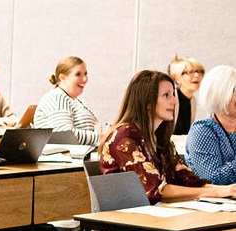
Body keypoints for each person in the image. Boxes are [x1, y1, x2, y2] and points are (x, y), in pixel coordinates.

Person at [98, 70, 236, 204]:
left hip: (155, 215)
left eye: (173, 94)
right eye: (166, 95)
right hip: (127, 219)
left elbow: (187, 180)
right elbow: (157, 191)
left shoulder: (160, 137)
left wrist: (226, 190)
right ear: (147, 102)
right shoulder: (125, 136)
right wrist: (217, 192)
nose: (175, 101)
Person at [185, 65, 236, 185]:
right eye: (234, 90)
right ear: (219, 94)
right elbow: (212, 178)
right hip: (214, 201)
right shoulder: (203, 129)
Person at [34, 56, 100, 145]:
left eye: (85, 74)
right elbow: (64, 135)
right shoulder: (57, 97)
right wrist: (99, 137)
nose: (84, 79)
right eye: (78, 74)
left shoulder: (78, 101)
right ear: (63, 78)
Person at [167, 55, 206, 135]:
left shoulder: (193, 101)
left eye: (200, 72)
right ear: (177, 78)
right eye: (190, 72)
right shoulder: (171, 97)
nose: (197, 75)